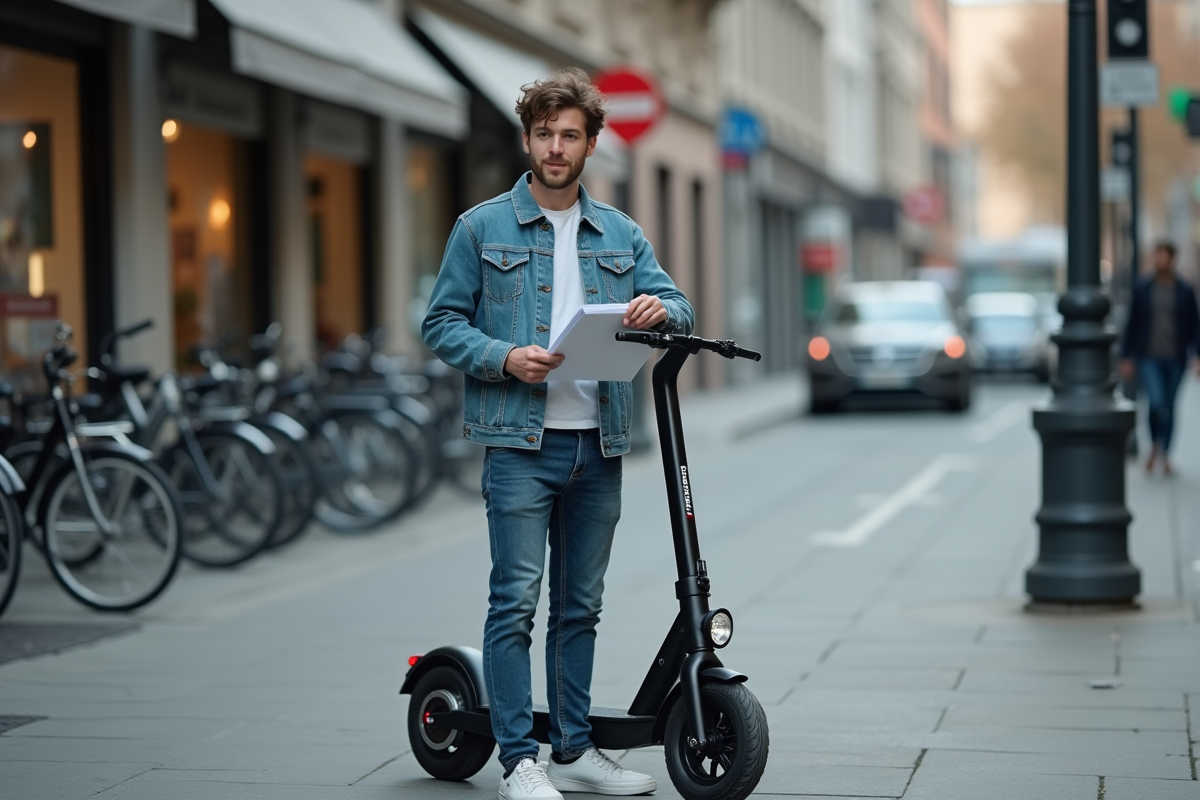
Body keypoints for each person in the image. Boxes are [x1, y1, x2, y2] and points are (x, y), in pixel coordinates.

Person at [422, 67, 693, 800]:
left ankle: (573, 748)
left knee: (581, 608)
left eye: (569, 134)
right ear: (528, 139)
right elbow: (440, 324)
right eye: (544, 133)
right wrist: (504, 357)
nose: (555, 146)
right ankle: (519, 760)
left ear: (591, 144)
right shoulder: (481, 227)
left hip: (596, 445)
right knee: (515, 601)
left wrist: (655, 311)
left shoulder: (620, 233)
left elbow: (679, 304)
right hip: (519, 445)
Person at [1118, 240, 1200, 475]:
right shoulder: (1143, 287)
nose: (1159, 260)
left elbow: (1195, 325)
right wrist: (1126, 356)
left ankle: (1165, 454)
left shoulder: (1185, 289)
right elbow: (1132, 324)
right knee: (1156, 403)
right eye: (1157, 255)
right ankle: (1155, 444)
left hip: (1176, 357)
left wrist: (1197, 355)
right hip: (1148, 357)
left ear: (1172, 259)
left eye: (1164, 256)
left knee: (1170, 406)